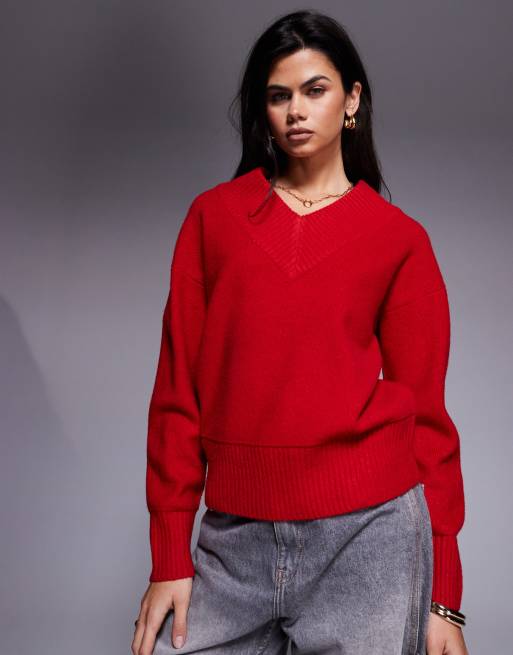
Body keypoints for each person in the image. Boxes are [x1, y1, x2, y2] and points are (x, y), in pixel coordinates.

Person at [132, 9, 469, 655]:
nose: (296, 111)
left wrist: (443, 597)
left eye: (315, 90)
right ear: (262, 109)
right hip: (234, 541)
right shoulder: (214, 219)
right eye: (278, 95)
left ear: (352, 100)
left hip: (368, 538)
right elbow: (176, 394)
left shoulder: (398, 240)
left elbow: (428, 419)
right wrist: (169, 555)